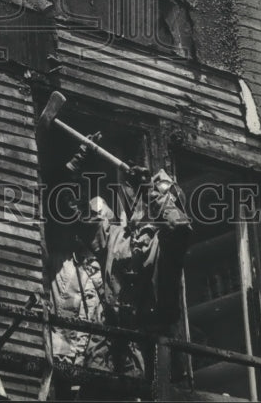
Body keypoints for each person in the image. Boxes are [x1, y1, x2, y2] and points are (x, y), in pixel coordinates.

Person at [49, 139, 191, 400]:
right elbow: (73, 212)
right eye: (138, 199)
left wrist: (148, 190)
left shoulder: (166, 247)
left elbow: (179, 227)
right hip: (106, 352)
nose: (137, 204)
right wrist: (76, 164)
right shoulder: (116, 238)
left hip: (149, 357)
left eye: (146, 200)